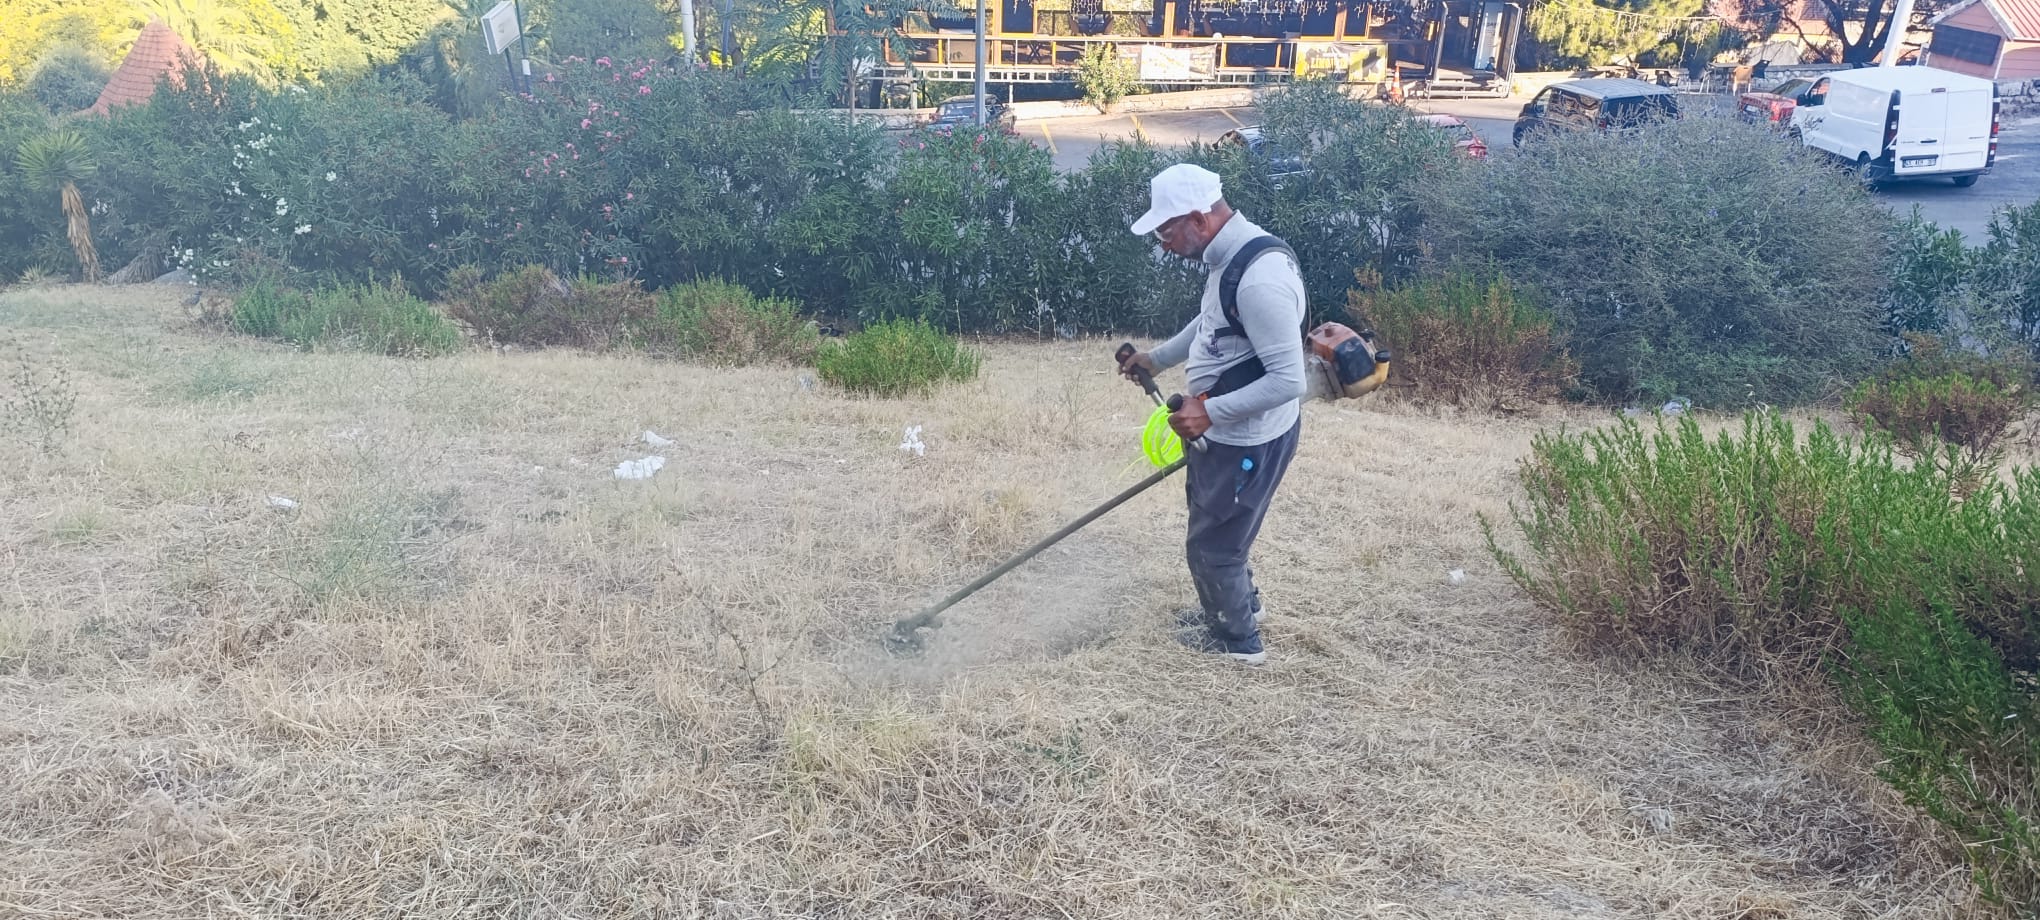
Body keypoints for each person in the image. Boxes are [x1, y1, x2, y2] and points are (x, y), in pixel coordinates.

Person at [1118, 163, 1307, 666]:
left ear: (1199, 220)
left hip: (1246, 438)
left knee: (1212, 543)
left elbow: (1290, 381)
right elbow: (1210, 322)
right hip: (1225, 433)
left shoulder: (1259, 280)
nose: (1163, 243)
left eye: (1166, 230)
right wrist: (1156, 359)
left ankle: (1235, 641)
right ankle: (1238, 606)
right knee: (1222, 527)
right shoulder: (1232, 257)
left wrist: (1210, 413)